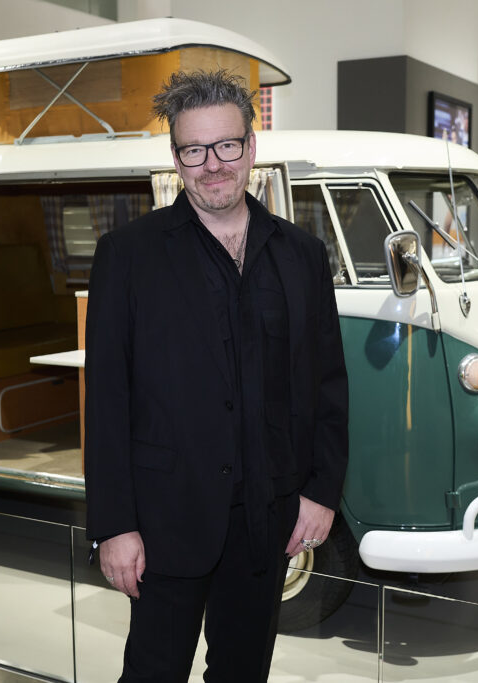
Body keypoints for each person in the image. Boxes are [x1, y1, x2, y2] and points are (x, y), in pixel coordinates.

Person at [83, 69, 349, 682]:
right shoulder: (127, 255)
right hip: (165, 521)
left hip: (269, 518)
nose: (213, 165)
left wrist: (321, 492)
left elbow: (328, 385)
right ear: (175, 157)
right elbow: (108, 401)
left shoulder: (303, 255)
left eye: (226, 145)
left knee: (243, 674)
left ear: (251, 148)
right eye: (194, 150)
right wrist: (114, 527)